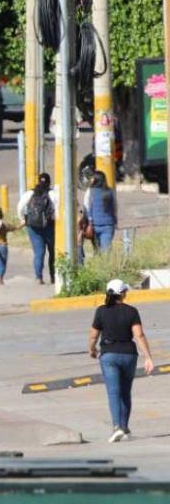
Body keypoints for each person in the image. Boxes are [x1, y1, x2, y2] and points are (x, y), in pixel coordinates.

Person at [89, 279, 155, 441]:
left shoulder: (101, 311)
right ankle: (124, 428)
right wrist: (148, 357)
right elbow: (138, 335)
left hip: (109, 355)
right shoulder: (131, 311)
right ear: (123, 294)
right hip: (129, 355)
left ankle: (117, 427)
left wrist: (92, 349)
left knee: (113, 392)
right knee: (125, 392)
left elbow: (93, 335)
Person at [17, 172, 58, 284]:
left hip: (33, 226)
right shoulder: (52, 194)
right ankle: (54, 277)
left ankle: (38, 277)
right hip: (49, 226)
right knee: (53, 252)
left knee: (39, 252)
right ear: (49, 182)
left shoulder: (30, 193)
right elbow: (57, 209)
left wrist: (23, 219)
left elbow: (20, 206)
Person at [82, 170, 118, 252]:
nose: (91, 180)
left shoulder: (90, 191)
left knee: (97, 250)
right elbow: (114, 207)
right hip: (108, 225)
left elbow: (86, 207)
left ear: (95, 179)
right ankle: (105, 264)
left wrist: (88, 221)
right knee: (106, 251)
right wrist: (115, 221)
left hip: (94, 225)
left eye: (92, 178)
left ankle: (98, 263)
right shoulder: (110, 191)